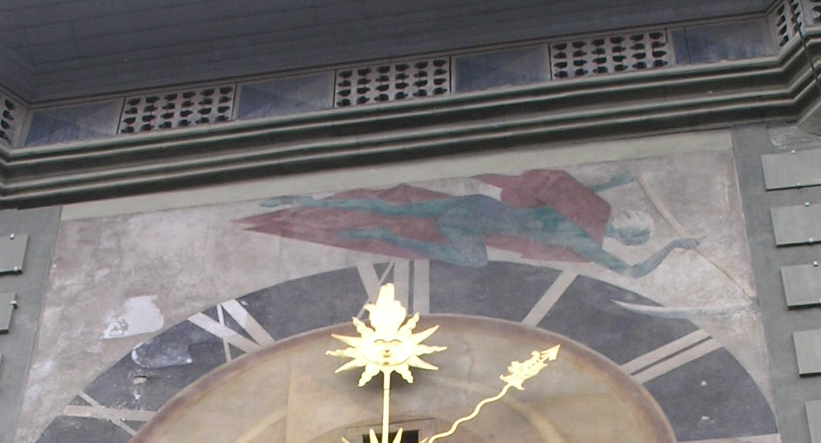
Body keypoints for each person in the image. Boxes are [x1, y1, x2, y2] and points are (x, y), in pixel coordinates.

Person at [251, 171, 699, 275]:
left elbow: (572, 185)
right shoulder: (585, 237)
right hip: (467, 227)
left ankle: (305, 200)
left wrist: (622, 178)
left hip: (473, 207)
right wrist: (673, 248)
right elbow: (632, 271)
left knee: (392, 205)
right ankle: (378, 235)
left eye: (633, 219)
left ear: (628, 230)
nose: (627, 215)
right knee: (475, 262)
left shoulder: (584, 212)